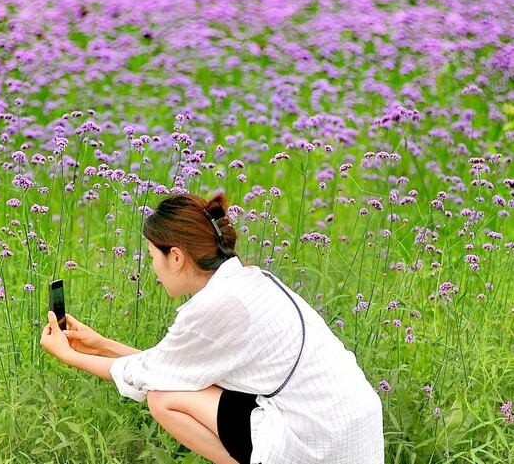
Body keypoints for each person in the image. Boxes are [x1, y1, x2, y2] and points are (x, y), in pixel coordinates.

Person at [40, 193, 384, 464]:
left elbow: (153, 377)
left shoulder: (216, 306)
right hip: (349, 423)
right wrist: (100, 345)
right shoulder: (249, 281)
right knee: (176, 385)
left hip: (317, 438)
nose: (152, 269)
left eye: (152, 256)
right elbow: (172, 365)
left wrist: (68, 355)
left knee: (163, 398)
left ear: (176, 257)